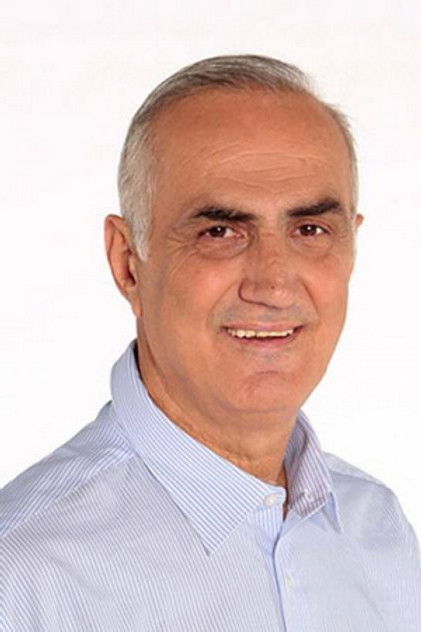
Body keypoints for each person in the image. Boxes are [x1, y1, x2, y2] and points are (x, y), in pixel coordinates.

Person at [0, 55, 420, 631]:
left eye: (310, 229)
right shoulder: (23, 574)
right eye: (219, 232)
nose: (273, 284)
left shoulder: (379, 533)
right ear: (128, 263)